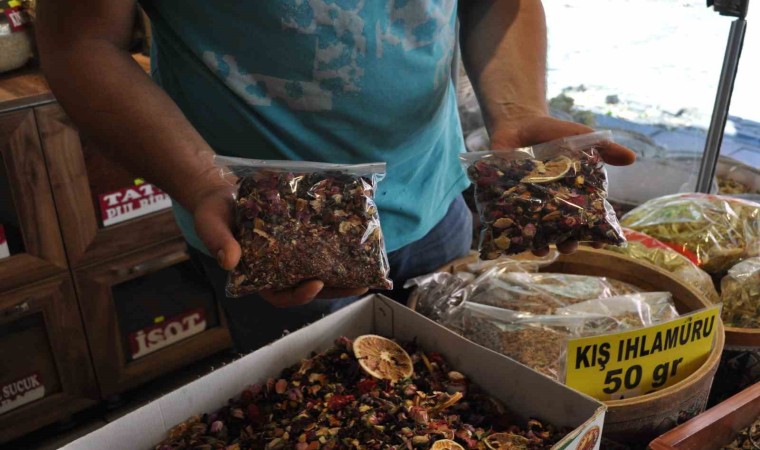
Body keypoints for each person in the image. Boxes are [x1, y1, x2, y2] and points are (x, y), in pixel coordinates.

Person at [36, 0, 635, 352]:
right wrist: (201, 181)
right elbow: (80, 41)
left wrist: (516, 111)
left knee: (453, 395)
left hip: (437, 202)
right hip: (265, 230)